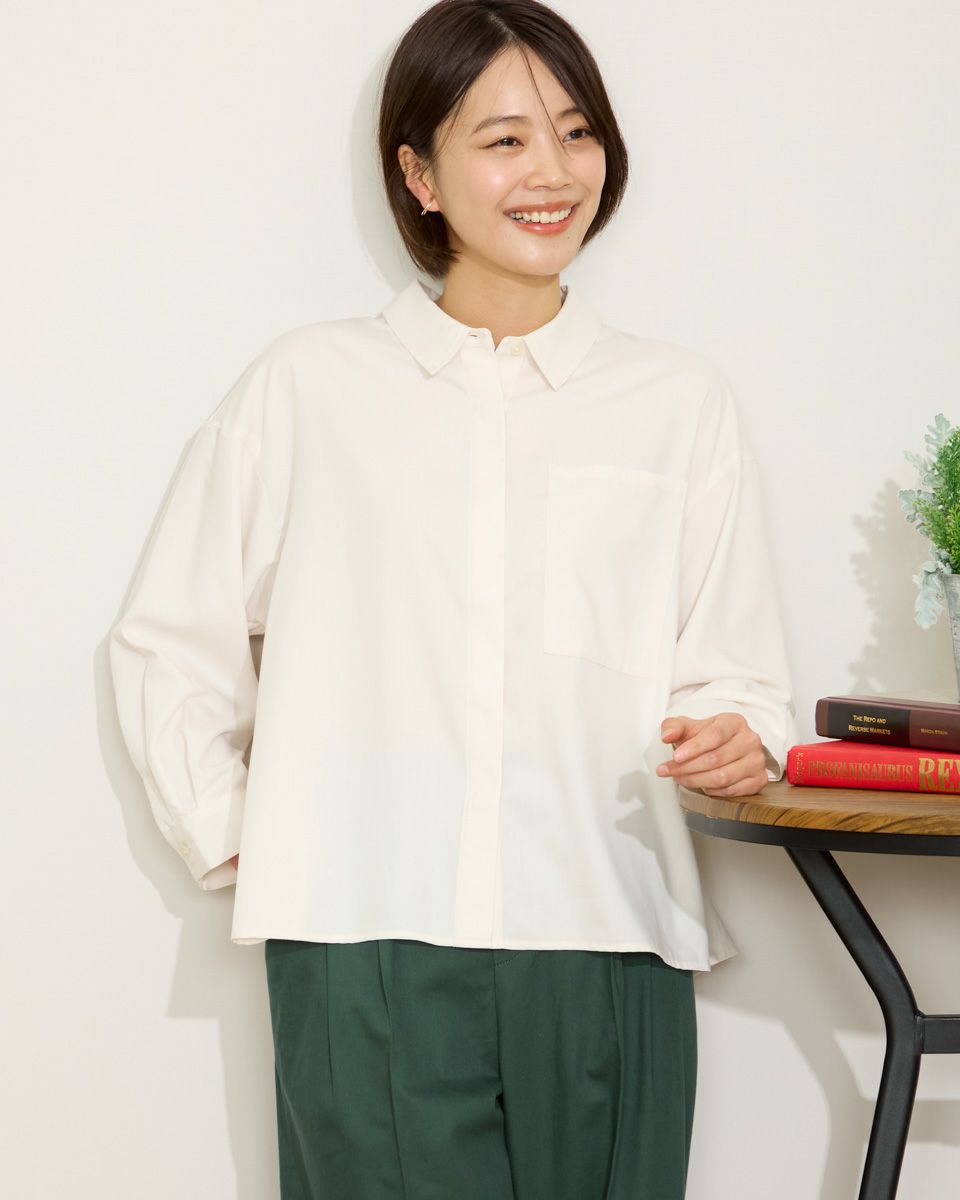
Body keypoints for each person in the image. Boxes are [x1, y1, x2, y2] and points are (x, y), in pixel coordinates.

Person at [108, 1, 798, 1196]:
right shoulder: (309, 386)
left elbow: (737, 671)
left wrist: (743, 733)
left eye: (576, 132)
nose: (553, 173)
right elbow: (169, 639)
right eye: (504, 139)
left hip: (607, 928)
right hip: (360, 935)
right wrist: (242, 831)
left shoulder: (678, 403)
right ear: (419, 175)